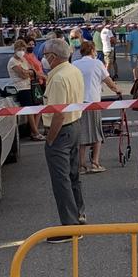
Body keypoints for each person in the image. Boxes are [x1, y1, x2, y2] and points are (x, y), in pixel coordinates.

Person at [41, 38, 86, 242]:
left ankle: (70, 226)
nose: (44, 59)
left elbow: (58, 113)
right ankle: (79, 213)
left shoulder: (58, 78)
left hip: (61, 130)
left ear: (53, 56)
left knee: (61, 180)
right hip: (74, 125)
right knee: (72, 174)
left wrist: (50, 138)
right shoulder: (72, 70)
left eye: (45, 55)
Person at [75, 40, 122, 173]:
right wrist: (117, 90)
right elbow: (109, 82)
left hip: (78, 103)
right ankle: (95, 163)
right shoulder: (97, 63)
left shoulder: (75, 64)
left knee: (82, 133)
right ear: (92, 51)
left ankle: (81, 165)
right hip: (93, 102)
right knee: (96, 132)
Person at [9, 40, 44, 141]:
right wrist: (29, 72)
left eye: (23, 49)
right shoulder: (13, 61)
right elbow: (23, 75)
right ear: (15, 50)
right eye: (19, 49)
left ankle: (34, 130)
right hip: (22, 88)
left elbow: (33, 71)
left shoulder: (23, 60)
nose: (21, 51)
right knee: (30, 110)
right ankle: (35, 133)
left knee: (39, 108)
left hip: (31, 86)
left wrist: (31, 72)